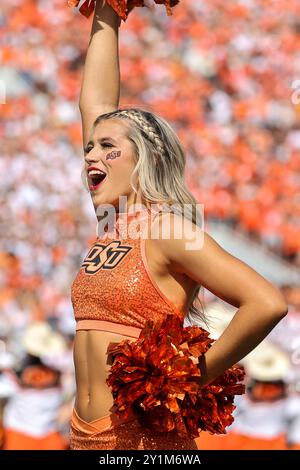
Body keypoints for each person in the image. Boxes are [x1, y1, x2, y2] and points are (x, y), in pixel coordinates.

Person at [69, 0, 288, 450]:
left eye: (107, 148)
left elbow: (266, 302)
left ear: (143, 159)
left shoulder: (168, 229)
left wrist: (192, 376)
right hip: (84, 436)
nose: (90, 155)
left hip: (142, 439)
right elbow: (95, 105)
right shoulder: (112, 221)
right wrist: (108, 12)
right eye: (90, 148)